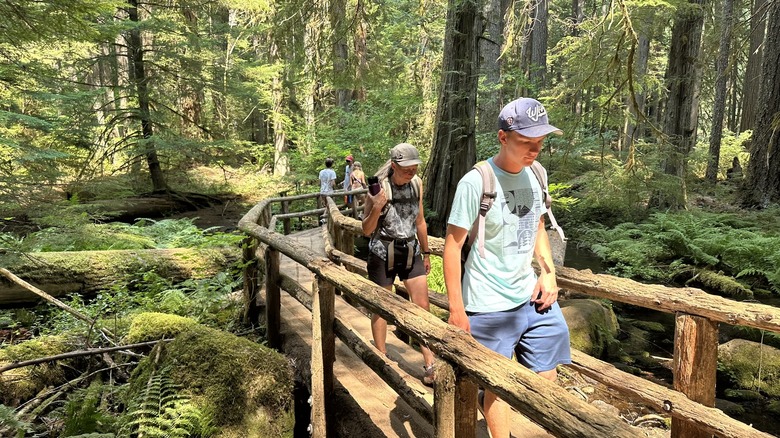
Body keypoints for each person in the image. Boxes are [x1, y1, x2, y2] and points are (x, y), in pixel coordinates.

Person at [443, 97, 571, 438]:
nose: (534, 150)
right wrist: (457, 309)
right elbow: (453, 246)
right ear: (503, 137)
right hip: (487, 304)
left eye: (540, 143)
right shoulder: (477, 182)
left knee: (547, 376)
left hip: (530, 295)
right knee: (497, 385)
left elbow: (538, 227)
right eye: (526, 143)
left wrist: (548, 272)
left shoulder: (536, 174)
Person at [362, 143, 436, 385]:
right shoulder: (379, 188)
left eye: (414, 168)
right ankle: (381, 356)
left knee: (422, 307)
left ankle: (430, 364)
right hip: (382, 251)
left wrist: (426, 252)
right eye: (406, 169)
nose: (411, 173)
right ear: (394, 166)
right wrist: (377, 206)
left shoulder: (417, 184)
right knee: (382, 306)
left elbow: (421, 220)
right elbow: (366, 229)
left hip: (410, 249)